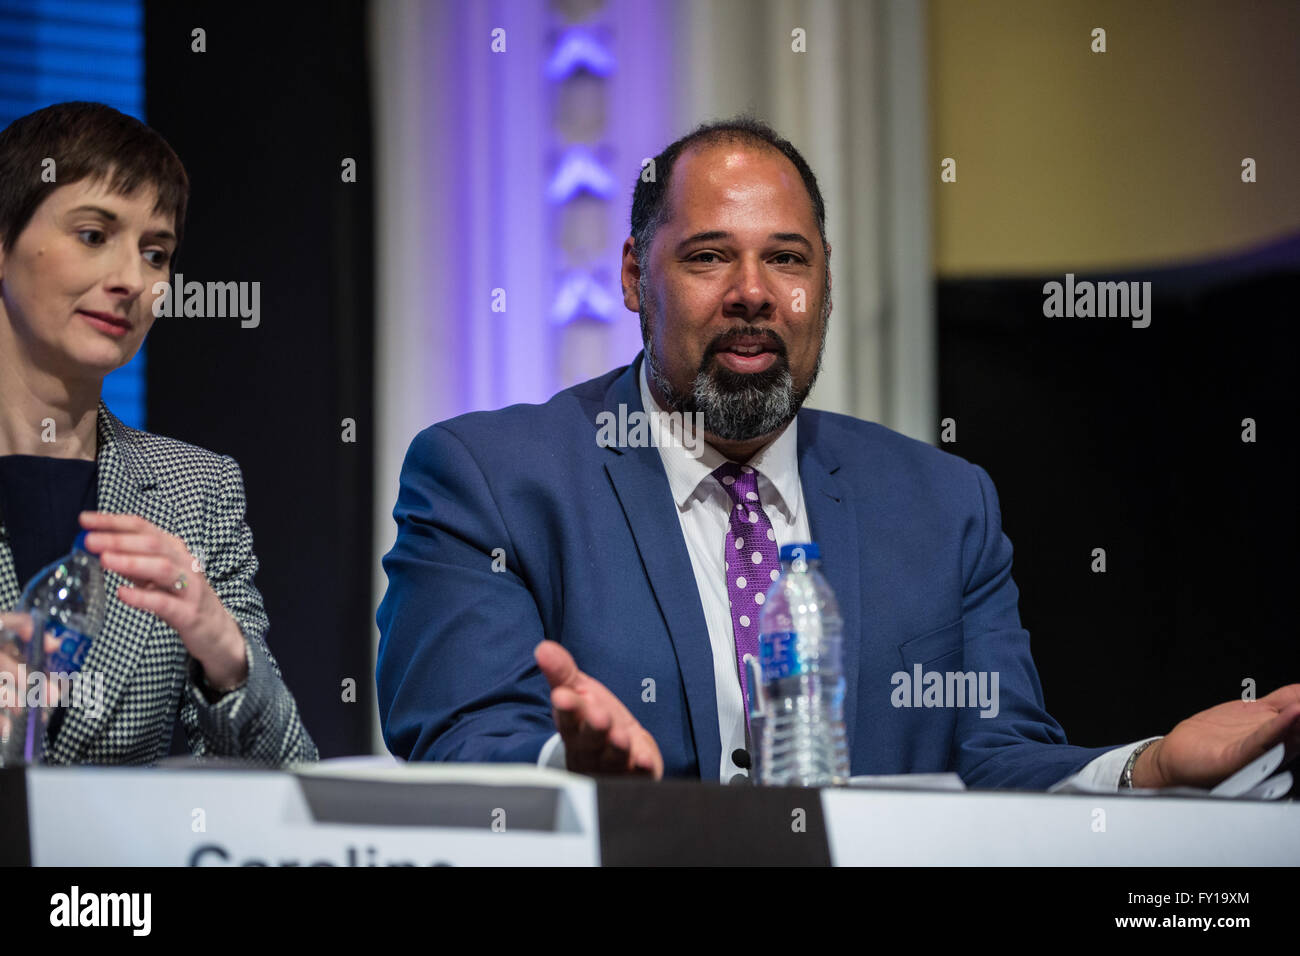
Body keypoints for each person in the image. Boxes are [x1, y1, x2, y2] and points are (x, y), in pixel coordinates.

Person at [376, 117, 1298, 788]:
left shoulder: (945, 506)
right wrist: (564, 769)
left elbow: (998, 757)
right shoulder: (490, 478)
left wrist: (1148, 768)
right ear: (631, 277)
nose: (752, 293)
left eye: (787, 259)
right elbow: (457, 726)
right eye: (706, 257)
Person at [0, 101, 316, 766]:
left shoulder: (197, 488)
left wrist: (223, 652)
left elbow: (286, 783)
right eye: (93, 235)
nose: (130, 281)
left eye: (155, 254)